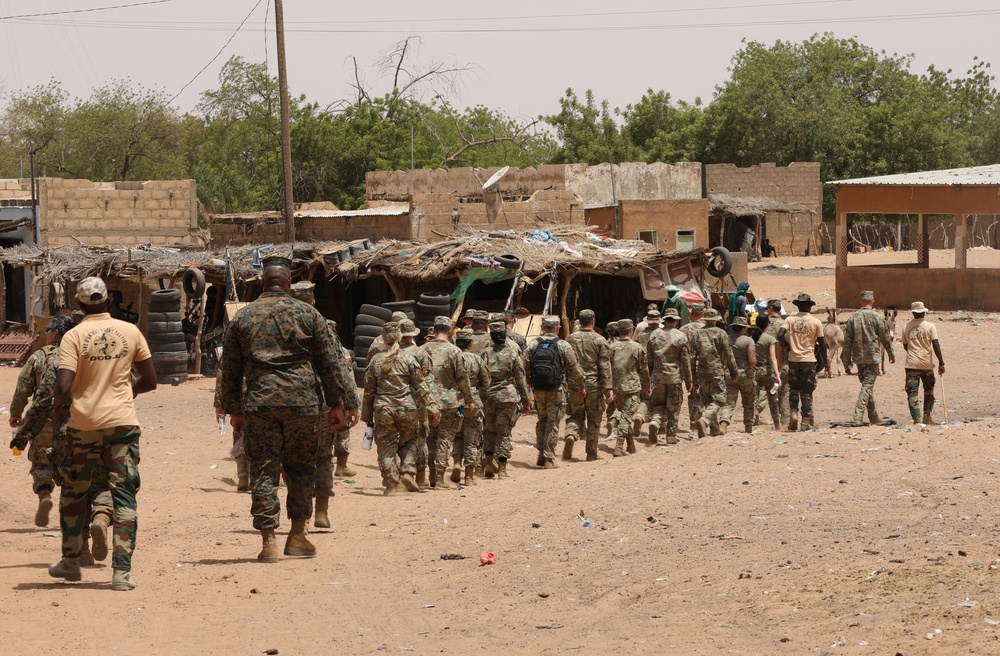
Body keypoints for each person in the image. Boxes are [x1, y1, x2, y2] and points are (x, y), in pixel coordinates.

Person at [221, 256, 358, 563]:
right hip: (304, 405)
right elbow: (330, 363)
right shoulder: (308, 315)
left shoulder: (243, 318)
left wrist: (234, 410)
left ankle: (268, 540)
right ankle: (297, 535)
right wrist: (337, 403)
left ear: (261, 283)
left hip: (260, 404)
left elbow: (229, 370)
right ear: (288, 284)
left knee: (264, 470)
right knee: (300, 469)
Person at [48, 277, 158, 591]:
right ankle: (121, 575)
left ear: (80, 306)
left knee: (74, 492)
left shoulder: (73, 336)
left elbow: (64, 387)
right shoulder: (130, 331)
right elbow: (150, 381)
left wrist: (62, 406)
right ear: (108, 301)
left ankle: (71, 561)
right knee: (124, 497)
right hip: (122, 424)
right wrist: (126, 394)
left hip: (84, 426)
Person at [288, 281, 361, 528]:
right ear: (313, 302)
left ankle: (301, 516)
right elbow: (340, 368)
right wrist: (351, 402)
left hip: (290, 403)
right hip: (320, 403)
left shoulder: (279, 326)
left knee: (295, 459)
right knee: (323, 457)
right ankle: (322, 511)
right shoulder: (322, 327)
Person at [9, 315, 75, 526]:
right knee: (73, 465)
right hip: (75, 421)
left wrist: (16, 413)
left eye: (48, 330)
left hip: (43, 420)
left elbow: (23, 387)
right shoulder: (76, 356)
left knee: (40, 463)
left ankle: (45, 495)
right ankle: (74, 515)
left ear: (55, 333)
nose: (46, 333)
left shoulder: (39, 357)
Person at [363, 322, 441, 494]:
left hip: (383, 409)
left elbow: (369, 390)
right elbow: (422, 386)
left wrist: (367, 415)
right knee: (409, 441)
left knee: (386, 446)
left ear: (383, 339)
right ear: (399, 337)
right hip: (407, 408)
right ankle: (407, 471)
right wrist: (433, 408)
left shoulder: (376, 360)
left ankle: (391, 484)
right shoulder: (409, 359)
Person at [419, 316, 474, 489]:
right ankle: (441, 479)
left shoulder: (421, 350)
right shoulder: (455, 351)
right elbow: (462, 378)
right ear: (450, 331)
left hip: (427, 402)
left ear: (434, 330)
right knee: (445, 440)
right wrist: (469, 399)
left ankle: (432, 475)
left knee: (430, 440)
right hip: (449, 402)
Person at [524, 315, 583, 469]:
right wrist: (580, 385)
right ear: (557, 328)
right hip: (556, 390)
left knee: (542, 420)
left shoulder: (533, 344)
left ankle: (540, 452)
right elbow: (574, 368)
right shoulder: (563, 345)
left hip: (538, 390)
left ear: (543, 328)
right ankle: (549, 458)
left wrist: (528, 381)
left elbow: (522, 363)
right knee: (553, 422)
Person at [480, 320, 531, 478]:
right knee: (504, 433)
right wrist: (526, 400)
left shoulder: (484, 353)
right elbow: (520, 379)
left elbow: (478, 377)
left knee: (489, 430)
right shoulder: (512, 353)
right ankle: (502, 469)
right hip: (507, 397)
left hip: (488, 397)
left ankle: (488, 462)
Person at [564, 309, 613, 461]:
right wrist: (608, 388)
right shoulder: (600, 340)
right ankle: (591, 453)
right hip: (594, 386)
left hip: (575, 386)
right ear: (593, 321)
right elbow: (604, 365)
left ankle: (570, 434)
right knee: (594, 419)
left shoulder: (569, 339)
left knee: (575, 415)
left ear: (580, 321)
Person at [841, 290, 894, 424]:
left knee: (867, 386)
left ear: (861, 301)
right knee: (867, 387)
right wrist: (890, 353)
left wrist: (845, 361)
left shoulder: (853, 318)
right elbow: (885, 338)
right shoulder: (877, 317)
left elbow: (847, 341)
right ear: (872, 301)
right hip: (872, 357)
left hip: (859, 358)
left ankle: (874, 417)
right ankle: (857, 416)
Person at [776, 293, 825, 431]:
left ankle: (793, 414)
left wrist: (787, 345)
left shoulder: (790, 320)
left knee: (794, 388)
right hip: (808, 360)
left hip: (793, 360)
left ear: (797, 305)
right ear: (810, 306)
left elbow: (779, 335)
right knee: (807, 392)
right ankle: (804, 422)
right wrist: (824, 363)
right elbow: (822, 345)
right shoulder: (816, 322)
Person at [399, 319, 437, 489]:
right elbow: (427, 382)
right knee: (420, 438)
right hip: (416, 404)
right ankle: (421, 478)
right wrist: (433, 406)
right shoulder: (420, 353)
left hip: (391, 403)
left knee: (395, 441)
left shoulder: (386, 352)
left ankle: (397, 478)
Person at [646, 308, 691, 444]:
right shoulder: (681, 336)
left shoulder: (654, 335)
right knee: (674, 406)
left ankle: (655, 420)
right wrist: (689, 380)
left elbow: (649, 359)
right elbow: (685, 360)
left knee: (658, 403)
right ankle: (670, 435)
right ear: (676, 321)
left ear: (664, 320)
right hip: (674, 376)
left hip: (657, 376)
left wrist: (650, 377)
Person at [453, 327, 490, 485]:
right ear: (470, 344)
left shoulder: (452, 357)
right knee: (472, 439)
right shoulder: (476, 359)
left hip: (454, 401)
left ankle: (455, 463)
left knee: (456, 435)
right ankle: (468, 476)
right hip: (473, 402)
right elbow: (486, 381)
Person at [900, 301, 945, 425]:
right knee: (929, 390)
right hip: (926, 363)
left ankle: (917, 419)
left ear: (913, 313)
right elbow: (936, 345)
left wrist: (914, 351)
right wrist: (941, 363)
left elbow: (905, 346)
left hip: (911, 364)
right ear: (924, 312)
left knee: (912, 392)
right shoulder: (930, 326)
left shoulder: (906, 327)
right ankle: (927, 416)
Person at [609, 319, 648, 456]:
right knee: (626, 417)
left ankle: (630, 445)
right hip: (632, 387)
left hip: (617, 387)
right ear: (631, 331)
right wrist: (647, 385)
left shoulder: (612, 347)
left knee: (625, 415)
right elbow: (643, 369)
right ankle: (619, 447)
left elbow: (607, 367)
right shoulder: (636, 347)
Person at [701, 308, 740, 435]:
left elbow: (691, 354)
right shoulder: (721, 333)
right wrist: (734, 372)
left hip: (700, 371)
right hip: (716, 370)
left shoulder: (697, 333)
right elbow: (729, 355)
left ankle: (714, 429)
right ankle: (705, 419)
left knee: (707, 399)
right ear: (716, 320)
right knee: (719, 399)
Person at [720, 316, 758, 434]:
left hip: (730, 374)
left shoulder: (727, 339)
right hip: (745, 374)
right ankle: (748, 427)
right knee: (748, 401)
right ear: (744, 328)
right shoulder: (748, 341)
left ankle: (723, 423)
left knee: (729, 402)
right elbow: (752, 361)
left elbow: (722, 358)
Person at [680, 304, 707, 435]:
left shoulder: (682, 329)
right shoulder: (706, 329)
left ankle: (694, 422)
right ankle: (702, 420)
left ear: (691, 314)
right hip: (703, 365)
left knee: (692, 393)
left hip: (687, 366)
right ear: (702, 314)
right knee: (704, 393)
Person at [752, 314, 783, 429]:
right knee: (772, 398)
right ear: (768, 324)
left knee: (753, 397)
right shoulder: (770, 339)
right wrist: (777, 375)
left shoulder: (752, 338)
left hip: (754, 370)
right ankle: (777, 424)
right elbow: (772, 358)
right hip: (767, 371)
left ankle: (752, 421)